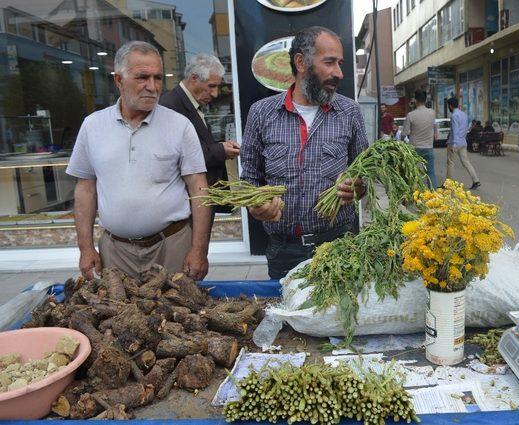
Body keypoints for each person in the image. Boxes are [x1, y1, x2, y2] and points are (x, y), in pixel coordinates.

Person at [66, 41, 212, 280]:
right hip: (115, 251)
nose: (152, 87)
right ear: (118, 80)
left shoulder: (179, 125)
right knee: (119, 314)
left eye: (157, 78)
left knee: (177, 313)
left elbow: (199, 189)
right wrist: (85, 248)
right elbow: (85, 189)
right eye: (142, 77)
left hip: (172, 246)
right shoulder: (93, 126)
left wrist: (199, 250)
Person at [241, 26, 368, 279]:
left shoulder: (349, 112)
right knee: (289, 317)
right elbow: (249, 178)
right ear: (301, 62)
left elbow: (364, 173)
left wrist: (359, 187)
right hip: (283, 250)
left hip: (338, 247)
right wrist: (256, 204)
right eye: (329, 62)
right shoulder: (261, 113)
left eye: (340, 63)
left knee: (338, 316)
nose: (339, 73)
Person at [159, 54, 240, 191]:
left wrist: (221, 146)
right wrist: (221, 150)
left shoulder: (190, 102)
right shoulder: (170, 106)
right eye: (211, 86)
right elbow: (181, 154)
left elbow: (198, 143)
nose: (215, 94)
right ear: (194, 78)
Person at [401, 91, 437, 189]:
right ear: (425, 100)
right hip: (429, 148)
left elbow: (404, 133)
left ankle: (413, 194)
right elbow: (434, 127)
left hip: (414, 149)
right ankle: (434, 195)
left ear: (415, 100)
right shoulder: (432, 113)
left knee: (413, 173)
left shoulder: (411, 115)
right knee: (431, 173)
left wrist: (401, 140)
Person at [446, 98, 481, 190]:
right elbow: (465, 129)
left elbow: (455, 130)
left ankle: (448, 184)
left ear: (450, 105)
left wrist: (454, 144)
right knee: (466, 162)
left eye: (448, 105)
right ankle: (476, 180)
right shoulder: (464, 114)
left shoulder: (454, 116)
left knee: (450, 163)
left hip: (454, 142)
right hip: (463, 142)